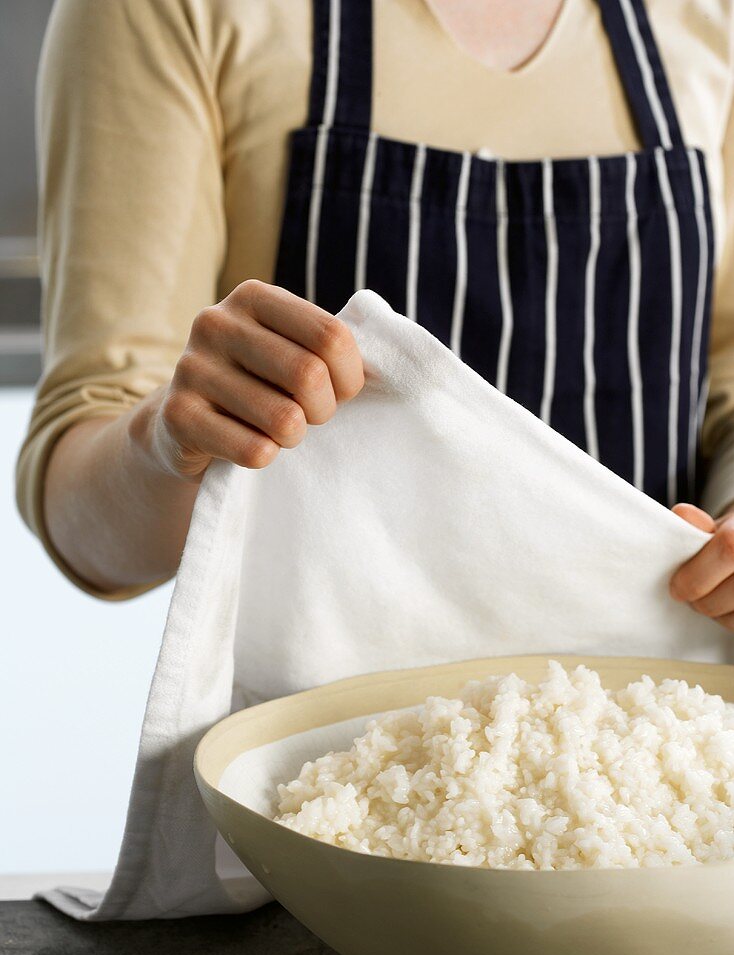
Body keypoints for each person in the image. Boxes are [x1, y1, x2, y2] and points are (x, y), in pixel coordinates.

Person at [15, 0, 734, 631]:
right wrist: (168, 441)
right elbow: (84, 526)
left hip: (658, 746)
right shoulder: (172, 10)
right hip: (314, 765)